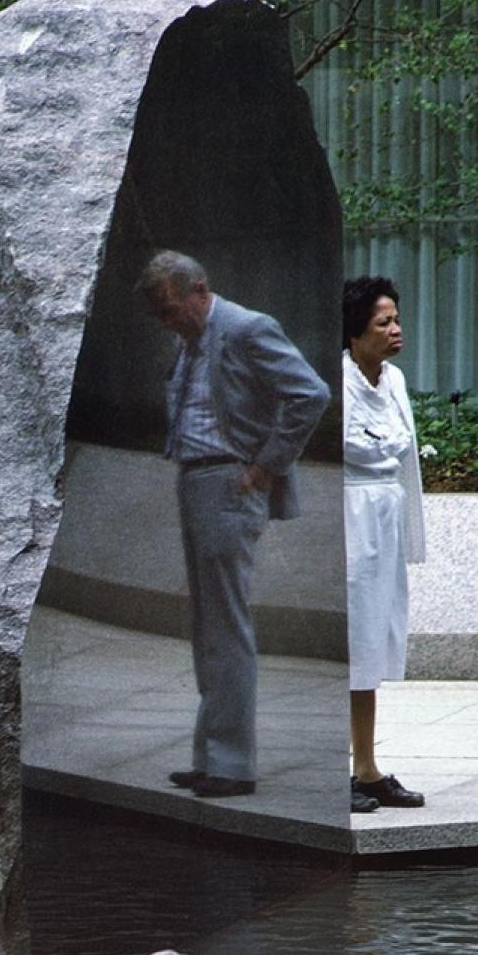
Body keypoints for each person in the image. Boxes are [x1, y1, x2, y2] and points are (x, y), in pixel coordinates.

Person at [138, 251, 331, 799]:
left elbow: (310, 394)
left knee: (225, 625)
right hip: (197, 479)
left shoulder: (247, 328)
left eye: (175, 310)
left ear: (200, 289)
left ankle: (232, 764)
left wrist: (267, 463)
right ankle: (212, 754)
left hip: (228, 482)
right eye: (163, 317)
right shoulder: (193, 338)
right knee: (209, 626)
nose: (170, 323)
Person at [342, 276, 426, 813]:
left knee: (372, 645)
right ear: (354, 334)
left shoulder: (391, 380)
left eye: (396, 320)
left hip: (384, 520)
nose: (396, 330)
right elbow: (362, 448)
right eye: (383, 322)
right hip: (349, 520)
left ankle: (366, 768)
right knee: (347, 645)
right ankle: (335, 771)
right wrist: (387, 449)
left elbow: (401, 456)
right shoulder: (337, 383)